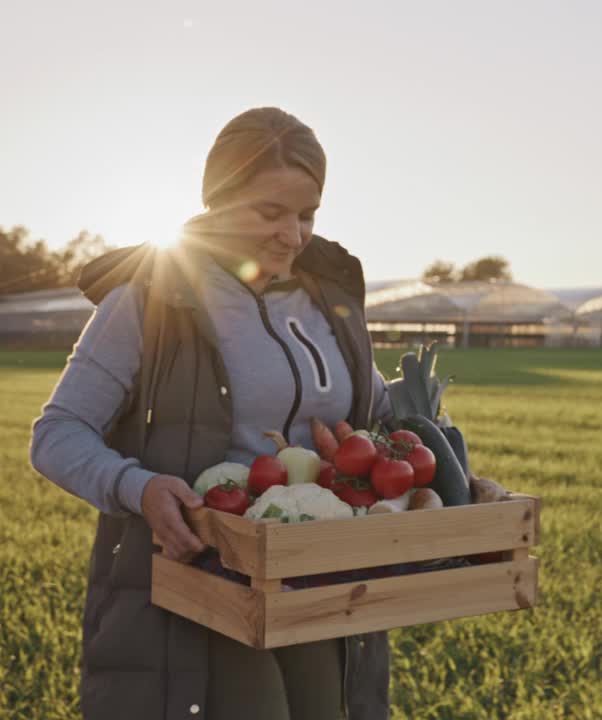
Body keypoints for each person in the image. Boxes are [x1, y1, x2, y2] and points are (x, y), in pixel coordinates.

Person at [30, 107, 392, 720]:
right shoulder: (150, 297)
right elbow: (58, 433)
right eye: (270, 213)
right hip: (202, 574)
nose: (294, 235)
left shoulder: (328, 298)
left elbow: (378, 414)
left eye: (307, 215)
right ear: (216, 202)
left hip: (320, 573)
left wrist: (437, 465)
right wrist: (137, 488)